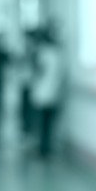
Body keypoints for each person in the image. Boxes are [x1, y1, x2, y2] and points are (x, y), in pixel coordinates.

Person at [31, 27, 63, 158]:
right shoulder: (58, 53)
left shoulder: (43, 53)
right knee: (48, 123)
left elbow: (38, 71)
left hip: (44, 93)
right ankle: (46, 147)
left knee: (42, 123)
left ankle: (43, 148)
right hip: (53, 93)